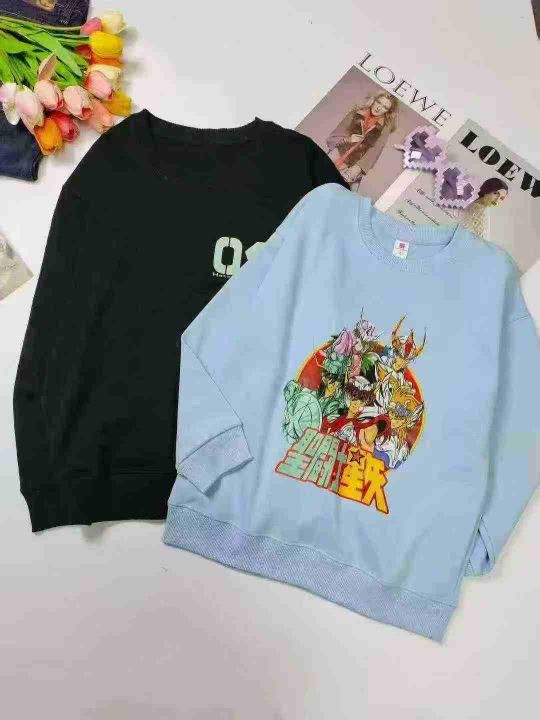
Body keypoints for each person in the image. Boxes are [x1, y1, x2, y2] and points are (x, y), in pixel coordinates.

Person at [326, 92, 398, 189]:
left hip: (354, 165)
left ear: (388, 111)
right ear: (373, 100)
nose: (379, 108)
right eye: (378, 102)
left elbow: (375, 151)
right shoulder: (356, 112)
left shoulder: (384, 127)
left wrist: (358, 168)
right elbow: (336, 134)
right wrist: (347, 140)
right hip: (338, 153)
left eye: (385, 107)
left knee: (338, 192)